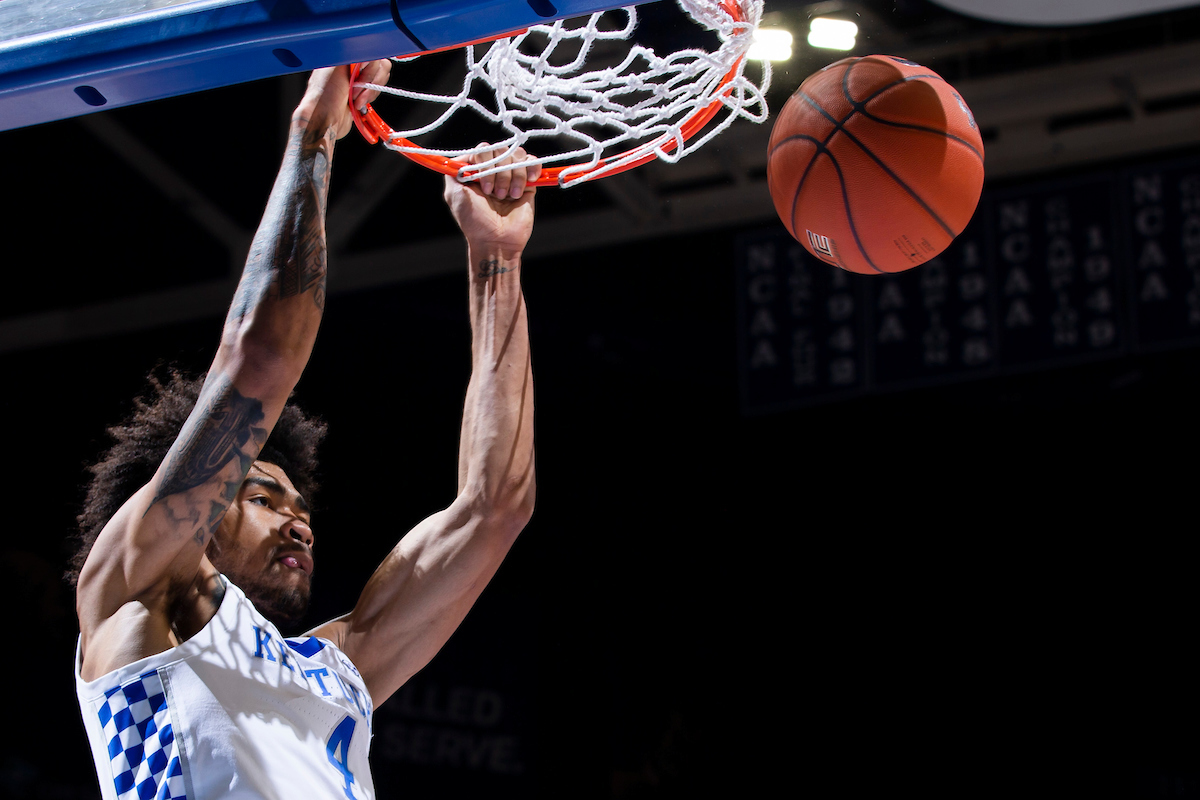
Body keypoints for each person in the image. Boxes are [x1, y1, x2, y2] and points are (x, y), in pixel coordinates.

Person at [69, 60, 540, 800]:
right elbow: (260, 362)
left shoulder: (337, 670)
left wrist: (497, 262)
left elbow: (494, 508)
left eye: (300, 509)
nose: (299, 525)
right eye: (264, 498)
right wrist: (315, 130)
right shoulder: (133, 591)